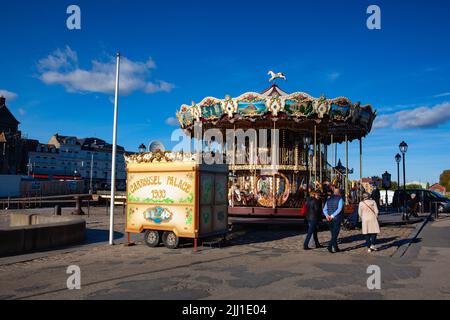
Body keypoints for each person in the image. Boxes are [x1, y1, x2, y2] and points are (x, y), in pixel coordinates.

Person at [323, 188, 344, 253]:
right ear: (339, 193)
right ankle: (330, 246)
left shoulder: (328, 199)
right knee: (335, 234)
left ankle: (336, 247)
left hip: (329, 219)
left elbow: (324, 209)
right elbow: (339, 209)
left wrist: (327, 216)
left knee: (333, 234)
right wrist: (332, 216)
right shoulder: (340, 199)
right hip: (336, 218)